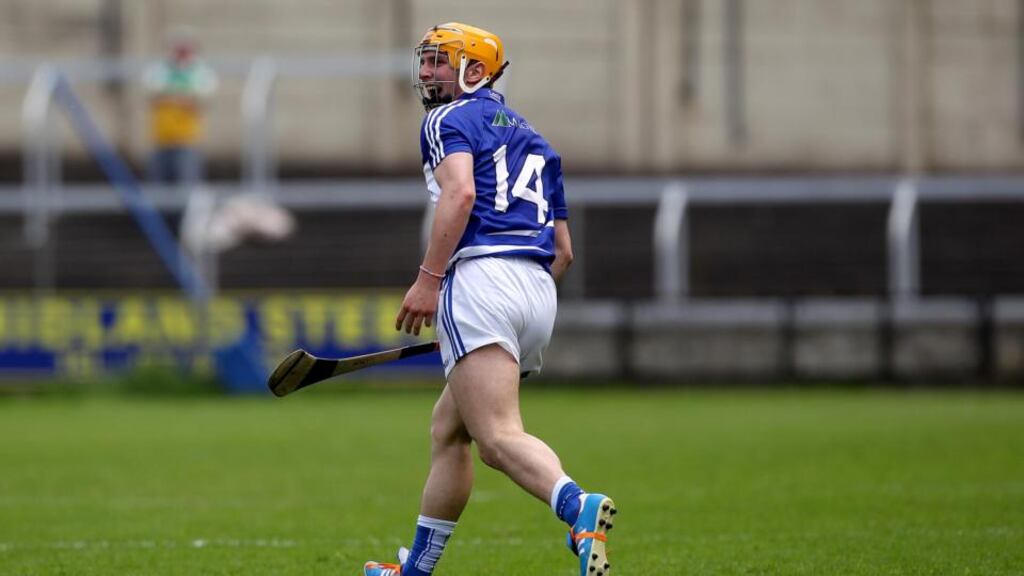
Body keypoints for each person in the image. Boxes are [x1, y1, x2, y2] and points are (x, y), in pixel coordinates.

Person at [362, 22, 616, 576]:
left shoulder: (445, 120)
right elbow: (564, 252)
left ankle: (579, 507)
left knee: (497, 439)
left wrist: (431, 281)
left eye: (440, 60)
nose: (426, 71)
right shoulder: (539, 141)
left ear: (475, 72)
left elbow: (462, 193)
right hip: (537, 290)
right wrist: (512, 313)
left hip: (480, 280)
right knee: (450, 429)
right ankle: (417, 570)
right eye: (425, 60)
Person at [142, 29, 217, 188]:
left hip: (187, 139)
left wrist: (172, 96)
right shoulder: (161, 69)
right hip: (161, 138)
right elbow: (151, 91)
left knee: (188, 184)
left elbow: (202, 97)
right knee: (158, 185)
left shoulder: (199, 71)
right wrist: (179, 97)